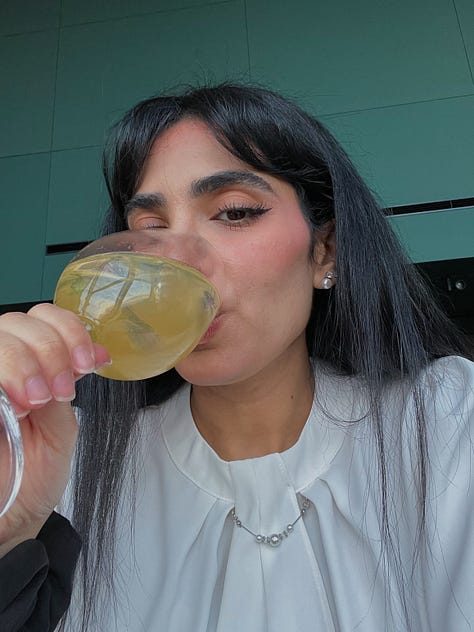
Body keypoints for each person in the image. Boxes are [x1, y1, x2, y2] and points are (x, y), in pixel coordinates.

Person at [0, 83, 472, 632]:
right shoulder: (65, 462)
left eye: (234, 212)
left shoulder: (445, 422)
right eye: (150, 230)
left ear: (326, 250)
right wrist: (12, 537)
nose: (178, 262)